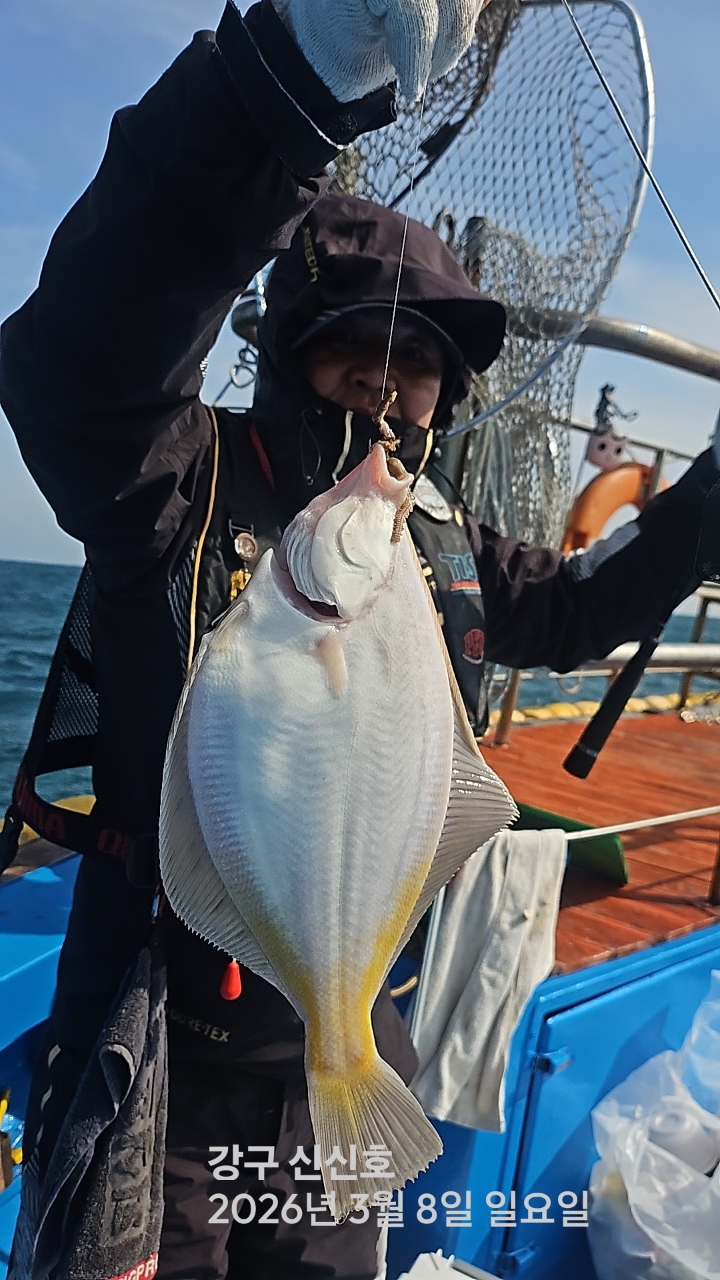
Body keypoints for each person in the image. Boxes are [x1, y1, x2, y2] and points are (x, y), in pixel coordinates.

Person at [1, 2, 718, 1277]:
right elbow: (79, 361)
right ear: (288, 345)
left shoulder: (435, 547)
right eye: (357, 341)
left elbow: (583, 603)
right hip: (156, 1045)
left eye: (426, 361)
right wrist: (278, 86)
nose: (391, 376)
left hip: (344, 1046)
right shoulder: (174, 484)